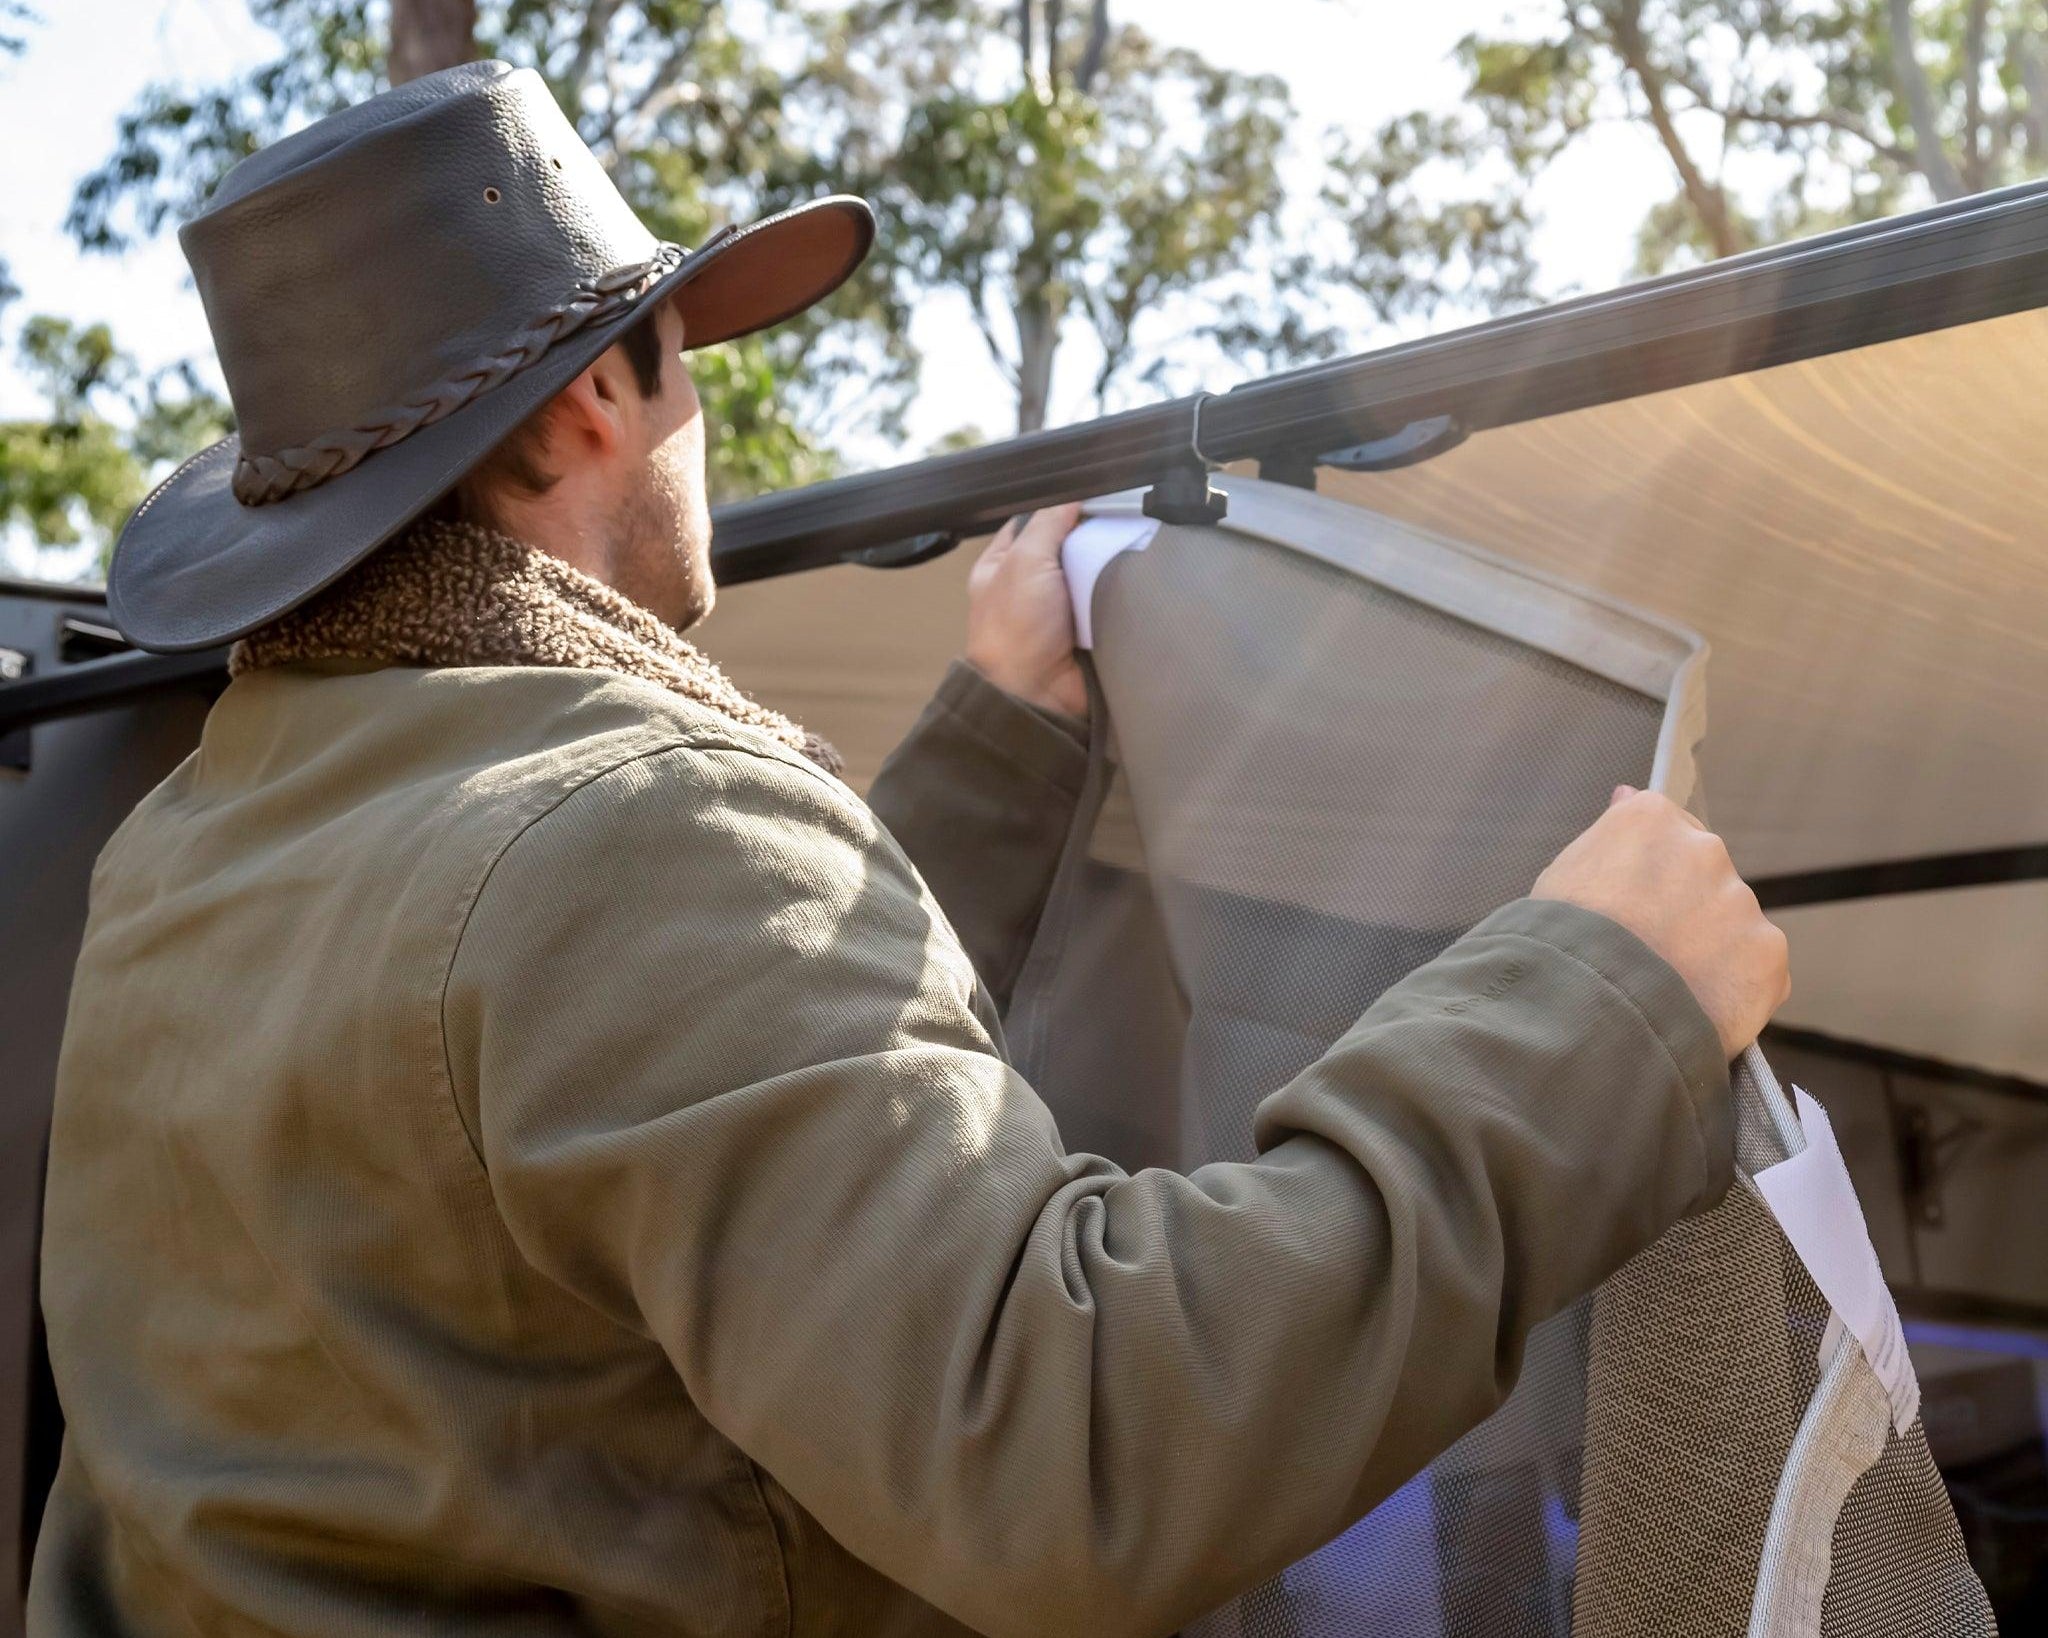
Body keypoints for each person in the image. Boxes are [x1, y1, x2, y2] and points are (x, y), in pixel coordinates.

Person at [31, 60, 1789, 1638]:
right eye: (682, 365)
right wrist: (1600, 1005)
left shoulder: (186, 855)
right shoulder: (628, 828)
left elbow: (668, 1108)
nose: (694, 416)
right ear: (586, 412)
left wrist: (999, 742)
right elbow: (1076, 1449)